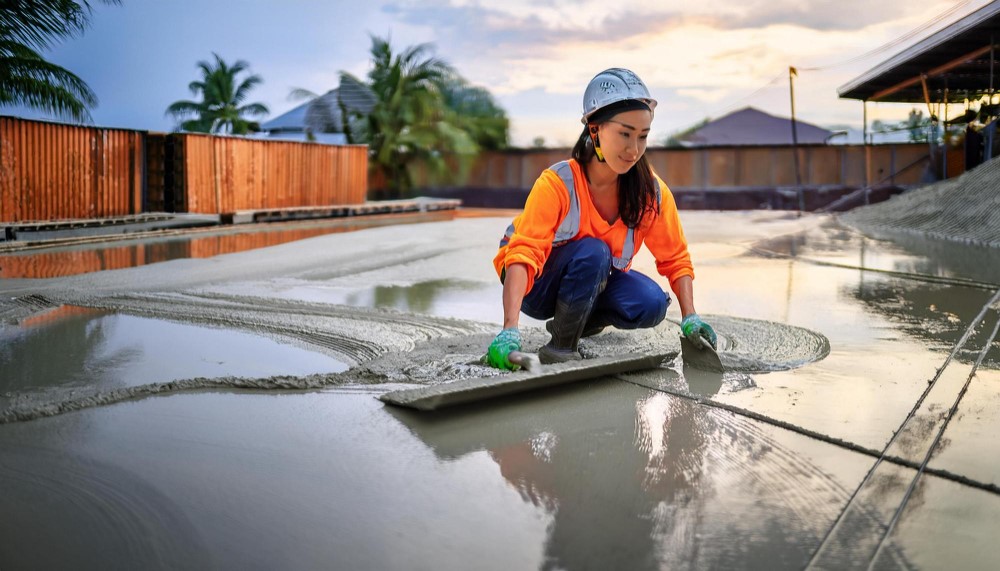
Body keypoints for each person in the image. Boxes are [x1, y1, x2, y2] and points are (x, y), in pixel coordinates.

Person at [486, 68, 717, 368]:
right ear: (595, 130)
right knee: (595, 251)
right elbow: (523, 254)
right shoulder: (559, 183)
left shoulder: (652, 194)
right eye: (624, 134)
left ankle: (572, 323)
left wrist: (690, 318)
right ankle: (560, 348)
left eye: (642, 137)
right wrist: (509, 330)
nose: (634, 150)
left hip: (588, 281)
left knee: (652, 303)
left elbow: (676, 258)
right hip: (535, 287)